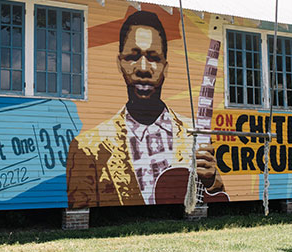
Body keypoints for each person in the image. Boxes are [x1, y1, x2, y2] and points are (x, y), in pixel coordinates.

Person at [66, 11, 225, 208]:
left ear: (165, 67)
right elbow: (78, 205)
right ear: (119, 63)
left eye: (153, 57)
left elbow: (214, 195)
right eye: (133, 56)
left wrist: (212, 183)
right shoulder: (87, 148)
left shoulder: (194, 134)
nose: (143, 67)